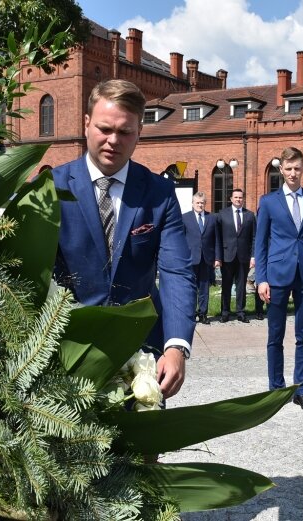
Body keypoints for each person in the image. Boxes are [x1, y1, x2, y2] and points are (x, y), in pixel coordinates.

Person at [53, 79, 195, 399]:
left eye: (125, 132)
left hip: (142, 358)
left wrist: (176, 346)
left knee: (140, 449)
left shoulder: (159, 194)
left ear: (139, 133)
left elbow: (177, 272)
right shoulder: (52, 188)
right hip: (68, 353)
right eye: (105, 129)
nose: (113, 140)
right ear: (87, 124)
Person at [255, 147, 303, 412]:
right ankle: (276, 387)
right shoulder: (268, 202)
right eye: (288, 169)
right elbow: (260, 243)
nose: (293, 173)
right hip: (276, 275)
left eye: (297, 168)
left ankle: (301, 389)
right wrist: (261, 278)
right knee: (275, 335)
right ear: (281, 170)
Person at [218, 188, 263, 322]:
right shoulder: (222, 214)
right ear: (231, 199)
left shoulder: (250, 215)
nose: (238, 199)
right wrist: (218, 257)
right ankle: (225, 312)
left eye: (240, 197)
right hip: (227, 255)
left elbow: (254, 237)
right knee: (226, 285)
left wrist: (253, 256)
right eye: (236, 197)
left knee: (241, 285)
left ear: (243, 199)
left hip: (244, 256)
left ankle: (240, 312)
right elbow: (218, 238)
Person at [182, 192, 221, 325]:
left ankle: (203, 313)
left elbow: (216, 239)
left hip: (206, 259)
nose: (200, 205)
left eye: (202, 203)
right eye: (197, 203)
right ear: (193, 203)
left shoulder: (212, 218)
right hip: (190, 259)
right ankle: (191, 313)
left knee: (204, 288)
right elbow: (181, 239)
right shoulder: (185, 218)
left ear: (205, 204)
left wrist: (217, 258)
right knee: (190, 288)